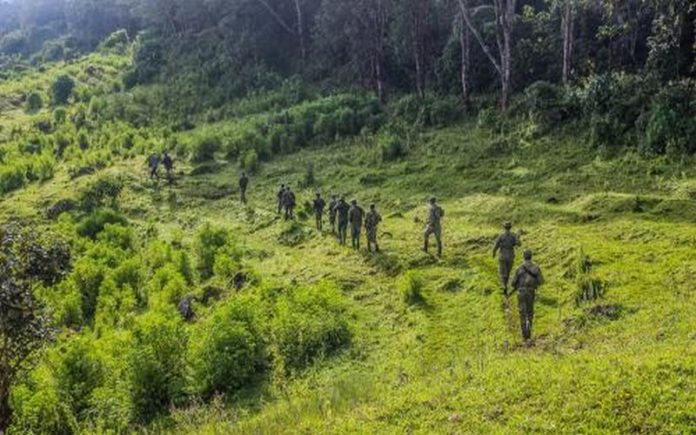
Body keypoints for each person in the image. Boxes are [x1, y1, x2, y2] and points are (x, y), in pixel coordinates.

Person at [511, 249, 544, 345]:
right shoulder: (536, 268)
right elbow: (541, 281)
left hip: (521, 293)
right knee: (529, 313)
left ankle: (524, 336)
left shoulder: (519, 268)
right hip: (530, 292)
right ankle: (529, 335)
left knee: (522, 313)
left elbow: (513, 283)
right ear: (531, 256)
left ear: (523, 256)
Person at [493, 222, 521, 296]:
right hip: (510, 255)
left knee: (503, 272)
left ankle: (504, 286)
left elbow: (496, 245)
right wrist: (518, 237)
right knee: (508, 272)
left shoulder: (501, 236)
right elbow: (519, 244)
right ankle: (506, 285)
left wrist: (494, 253)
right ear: (510, 227)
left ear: (504, 227)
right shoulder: (513, 235)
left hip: (502, 255)